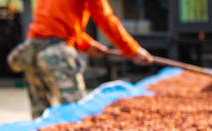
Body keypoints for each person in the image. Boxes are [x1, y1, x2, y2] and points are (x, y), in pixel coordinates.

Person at [8, 0, 153, 118]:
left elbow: (54, 24)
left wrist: (85, 44)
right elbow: (106, 19)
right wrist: (132, 50)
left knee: (39, 116)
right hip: (57, 54)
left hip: (32, 51)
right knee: (75, 113)